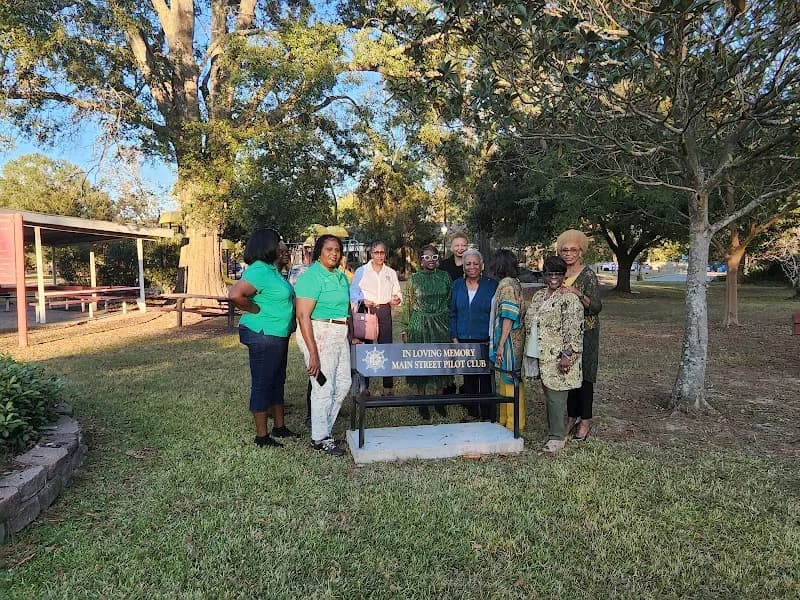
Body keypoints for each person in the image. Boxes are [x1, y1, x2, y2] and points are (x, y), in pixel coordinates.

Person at [228, 229, 298, 448]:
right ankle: (262, 436)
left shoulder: (272, 270)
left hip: (278, 334)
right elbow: (234, 294)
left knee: (277, 380)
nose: (284, 245)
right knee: (263, 382)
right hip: (263, 335)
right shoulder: (259, 270)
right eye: (280, 242)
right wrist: (254, 308)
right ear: (269, 245)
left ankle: (279, 426)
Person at [294, 234, 352, 457]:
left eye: (337, 249)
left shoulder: (340, 276)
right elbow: (302, 315)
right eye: (329, 249)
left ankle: (325, 430)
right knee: (323, 386)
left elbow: (345, 310)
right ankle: (319, 438)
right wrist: (313, 353)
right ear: (319, 251)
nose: (334, 253)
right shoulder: (311, 277)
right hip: (319, 334)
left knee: (344, 383)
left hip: (339, 334)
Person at [526, 256, 584, 453]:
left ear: (564, 275)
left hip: (558, 356)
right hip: (540, 355)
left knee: (556, 397)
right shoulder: (539, 295)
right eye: (549, 273)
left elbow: (575, 330)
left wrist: (567, 355)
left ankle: (557, 437)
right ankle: (554, 431)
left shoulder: (568, 298)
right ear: (544, 275)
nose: (553, 277)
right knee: (549, 394)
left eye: (558, 273)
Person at [397, 244, 453, 420]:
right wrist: (405, 328)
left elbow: (450, 300)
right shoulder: (414, 279)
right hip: (419, 323)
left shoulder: (445, 277)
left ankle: (439, 399)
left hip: (441, 324)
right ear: (420, 260)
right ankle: (422, 400)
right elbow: (406, 305)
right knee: (420, 361)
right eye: (426, 257)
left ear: (438, 259)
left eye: (434, 257)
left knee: (441, 361)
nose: (430, 260)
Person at [557, 229, 602, 441]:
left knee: (584, 378)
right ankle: (571, 416)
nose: (568, 253)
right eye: (564, 250)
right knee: (568, 375)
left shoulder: (588, 275)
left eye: (573, 250)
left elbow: (596, 306)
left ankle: (585, 421)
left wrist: (577, 293)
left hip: (586, 333)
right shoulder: (559, 273)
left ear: (581, 252)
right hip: (564, 333)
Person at [449, 248, 499, 421]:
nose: (472, 267)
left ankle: (487, 413)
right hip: (463, 339)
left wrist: (494, 338)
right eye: (468, 263)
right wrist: (455, 338)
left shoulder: (492, 285)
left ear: (482, 265)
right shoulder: (456, 285)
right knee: (469, 378)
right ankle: (472, 412)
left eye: (475, 263)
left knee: (485, 378)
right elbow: (453, 313)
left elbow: (497, 314)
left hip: (485, 339)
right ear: (463, 266)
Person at [350, 240, 402, 396]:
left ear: (385, 254)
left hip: (384, 310)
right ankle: (364, 386)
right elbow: (353, 291)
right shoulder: (362, 271)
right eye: (376, 252)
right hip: (367, 311)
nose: (379, 256)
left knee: (386, 348)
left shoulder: (390, 272)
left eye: (382, 252)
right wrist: (361, 300)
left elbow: (398, 292)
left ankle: (388, 386)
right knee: (366, 348)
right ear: (371, 253)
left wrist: (396, 298)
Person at [487, 249, 526, 432]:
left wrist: (501, 344)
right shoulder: (511, 282)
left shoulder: (507, 285)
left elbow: (509, 316)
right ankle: (505, 419)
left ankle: (513, 423)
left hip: (510, 341)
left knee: (510, 380)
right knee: (506, 378)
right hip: (511, 340)